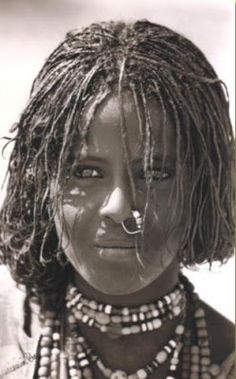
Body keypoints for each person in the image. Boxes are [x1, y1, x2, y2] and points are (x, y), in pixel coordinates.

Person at [0, 20, 234, 379]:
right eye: (87, 172)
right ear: (41, 183)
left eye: (155, 174)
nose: (119, 207)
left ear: (204, 187)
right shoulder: (8, 346)